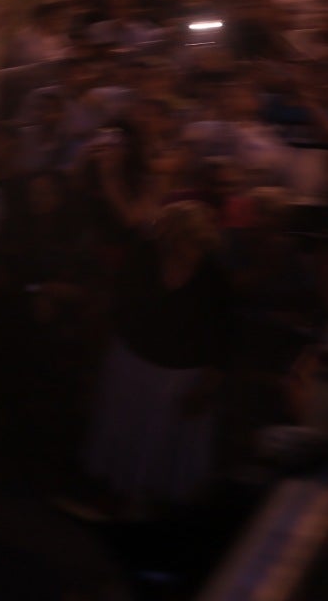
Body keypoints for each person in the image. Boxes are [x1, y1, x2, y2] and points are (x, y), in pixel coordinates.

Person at [82, 200, 232, 514]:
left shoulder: (213, 275)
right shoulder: (145, 257)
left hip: (179, 376)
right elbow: (121, 304)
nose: (193, 252)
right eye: (188, 243)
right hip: (133, 364)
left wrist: (209, 383)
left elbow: (224, 334)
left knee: (163, 445)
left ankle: (155, 504)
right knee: (127, 432)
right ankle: (118, 493)